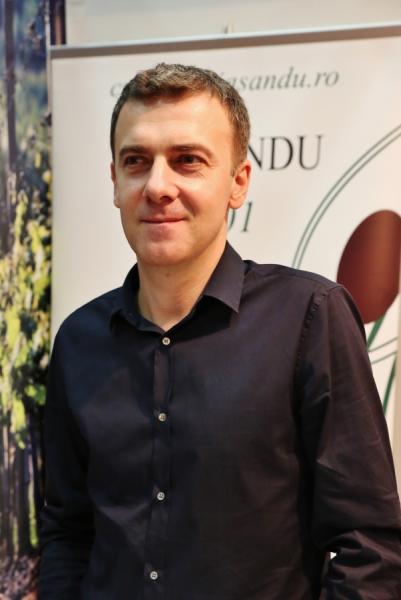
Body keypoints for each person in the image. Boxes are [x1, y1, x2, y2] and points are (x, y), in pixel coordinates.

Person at [39, 63, 401, 599]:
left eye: (187, 160)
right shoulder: (78, 341)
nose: (157, 186)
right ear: (114, 181)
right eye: (136, 161)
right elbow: (68, 534)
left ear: (238, 182)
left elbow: (369, 546)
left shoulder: (309, 317)